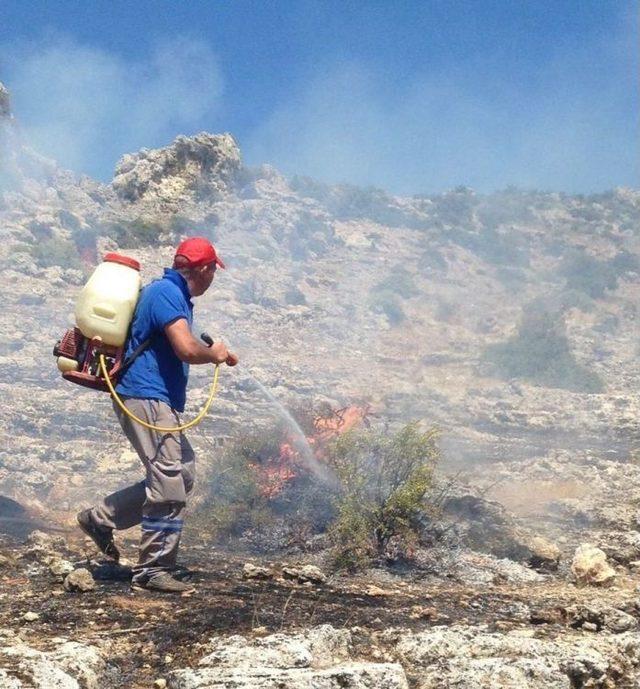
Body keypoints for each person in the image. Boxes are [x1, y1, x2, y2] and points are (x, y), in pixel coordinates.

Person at [77, 237, 238, 593]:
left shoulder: (172, 294)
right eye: (213, 270)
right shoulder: (167, 293)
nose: (214, 277)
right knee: (168, 479)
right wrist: (214, 353)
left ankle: (100, 518)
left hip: (152, 398)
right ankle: (153, 570)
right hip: (146, 396)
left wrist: (209, 352)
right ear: (205, 269)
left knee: (182, 471)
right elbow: (184, 347)